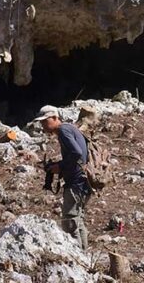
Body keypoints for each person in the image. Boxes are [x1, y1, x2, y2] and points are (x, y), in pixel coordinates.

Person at [35, 105, 91, 249]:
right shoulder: (69, 128)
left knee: (70, 221)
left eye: (45, 121)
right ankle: (84, 253)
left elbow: (77, 153)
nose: (43, 125)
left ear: (55, 118)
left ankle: (78, 257)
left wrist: (59, 167)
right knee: (78, 220)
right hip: (84, 181)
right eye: (41, 122)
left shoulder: (63, 130)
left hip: (76, 182)